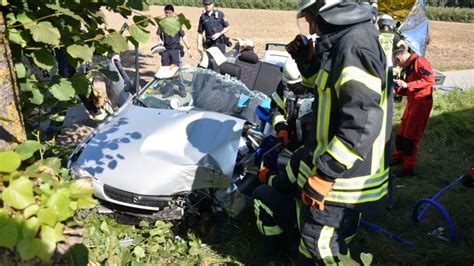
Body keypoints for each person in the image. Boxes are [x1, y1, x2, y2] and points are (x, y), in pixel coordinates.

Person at [252, 0, 391, 264]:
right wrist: (307, 64)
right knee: (310, 244)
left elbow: (363, 120)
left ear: (331, 11)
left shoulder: (353, 46)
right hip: (337, 171)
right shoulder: (348, 40)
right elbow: (326, 88)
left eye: (312, 19)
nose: (312, 29)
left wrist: (326, 174)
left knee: (321, 246)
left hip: (342, 179)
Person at [391, 43, 435, 178]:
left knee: (410, 136)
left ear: (399, 59)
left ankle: (408, 168)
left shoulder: (420, 62)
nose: (399, 67)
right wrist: (397, 88)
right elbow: (411, 89)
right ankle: (399, 157)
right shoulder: (410, 65)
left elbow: (429, 80)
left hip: (421, 103)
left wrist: (407, 84)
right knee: (401, 132)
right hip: (413, 102)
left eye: (397, 64)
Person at [156, 4, 190, 98]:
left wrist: (189, 48)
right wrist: (159, 41)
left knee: (176, 71)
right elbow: (158, 35)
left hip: (175, 50)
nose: (167, 15)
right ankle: (169, 90)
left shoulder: (177, 23)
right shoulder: (162, 23)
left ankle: (182, 89)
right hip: (165, 51)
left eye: (169, 13)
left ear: (173, 13)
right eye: (166, 13)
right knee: (166, 71)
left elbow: (183, 36)